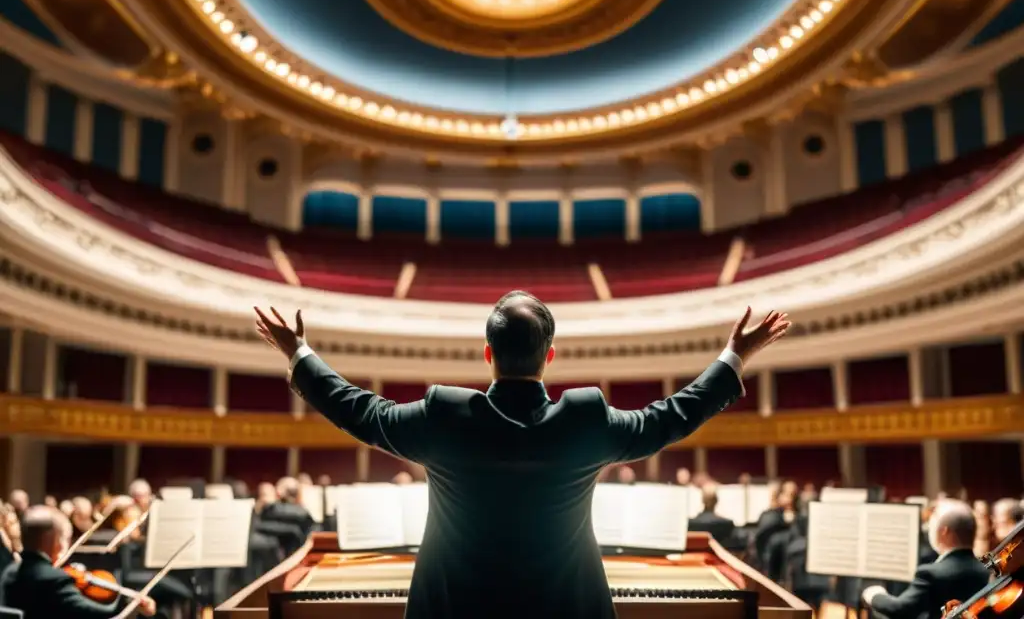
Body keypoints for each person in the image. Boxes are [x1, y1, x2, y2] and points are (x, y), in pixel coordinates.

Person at [255, 294, 790, 619]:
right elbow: (670, 417)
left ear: (487, 354)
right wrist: (734, 357)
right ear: (550, 357)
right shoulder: (586, 419)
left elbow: (360, 411)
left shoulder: (444, 415)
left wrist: (299, 354)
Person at [0, 506, 157, 617]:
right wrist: (131, 603)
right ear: (56, 541)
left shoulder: (9, 572)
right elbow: (101, 615)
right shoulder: (54, 579)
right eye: (65, 539)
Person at [862, 500, 991, 619]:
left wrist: (874, 595)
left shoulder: (930, 573)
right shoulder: (987, 571)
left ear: (944, 532)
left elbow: (901, 609)